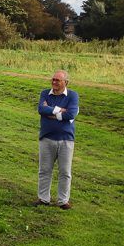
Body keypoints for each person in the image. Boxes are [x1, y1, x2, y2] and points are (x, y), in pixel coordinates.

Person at [35, 70, 79, 209]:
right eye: (53, 79)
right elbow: (41, 109)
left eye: (57, 80)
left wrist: (52, 111)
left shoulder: (73, 95)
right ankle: (43, 199)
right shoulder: (44, 93)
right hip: (47, 138)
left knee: (65, 172)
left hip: (66, 139)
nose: (54, 82)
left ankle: (63, 201)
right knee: (44, 170)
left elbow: (71, 113)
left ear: (66, 82)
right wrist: (60, 111)